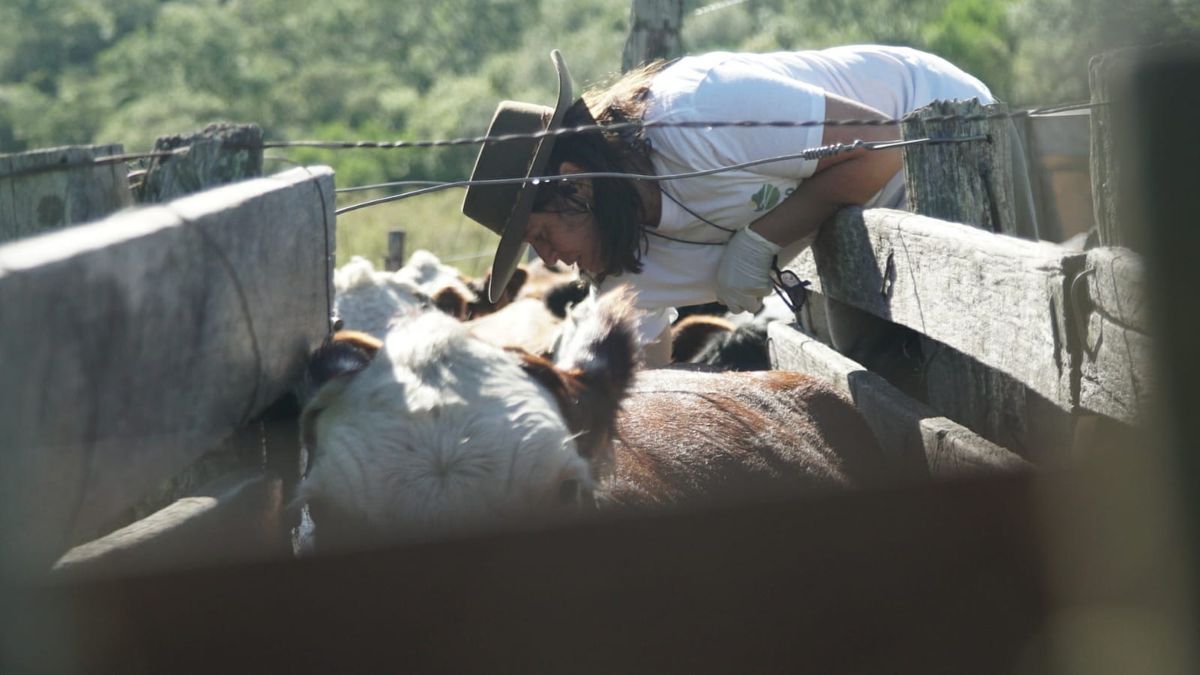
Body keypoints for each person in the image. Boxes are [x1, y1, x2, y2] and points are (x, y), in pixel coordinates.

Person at [461, 46, 1029, 365]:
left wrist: (761, 240)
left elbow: (881, 146)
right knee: (880, 375)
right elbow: (647, 372)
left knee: (998, 349)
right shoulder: (621, 265)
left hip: (945, 145)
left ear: (576, 186)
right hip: (851, 223)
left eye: (540, 236)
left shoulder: (699, 112)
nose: (550, 262)